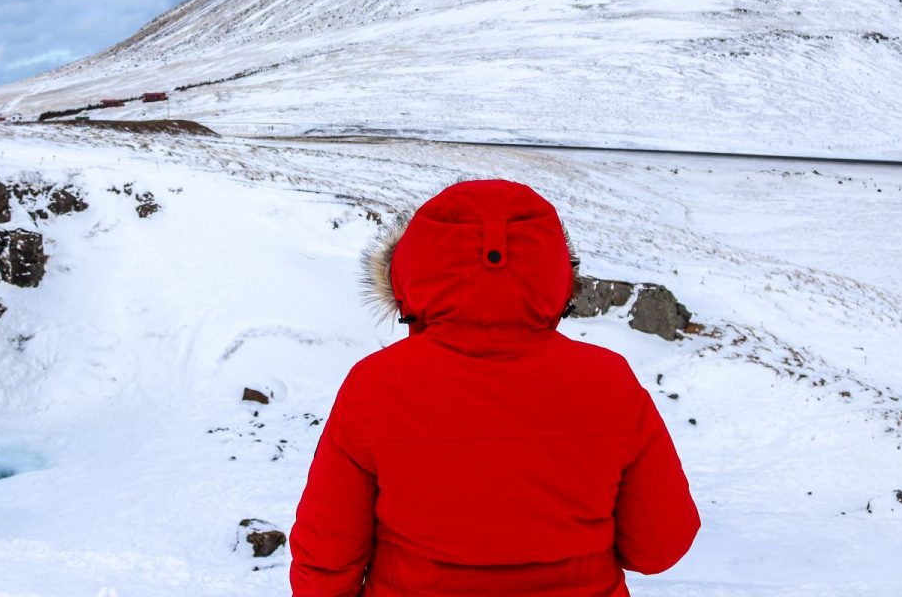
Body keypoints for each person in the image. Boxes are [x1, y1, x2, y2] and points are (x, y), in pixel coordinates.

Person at [290, 179, 699, 596]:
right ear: (554, 272)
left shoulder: (375, 386)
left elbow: (325, 557)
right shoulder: (609, 381)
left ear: (408, 273)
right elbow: (660, 545)